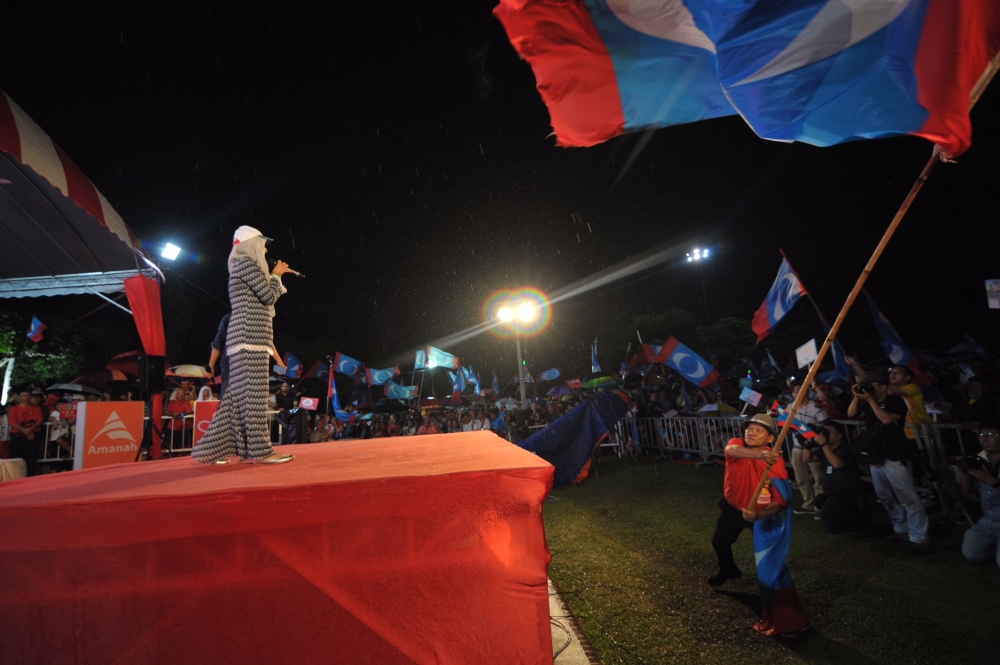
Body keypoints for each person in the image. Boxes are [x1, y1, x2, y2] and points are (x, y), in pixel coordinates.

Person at [192, 225, 294, 465]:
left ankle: (209, 450)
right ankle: (260, 452)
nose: (266, 248)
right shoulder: (246, 263)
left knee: (237, 399)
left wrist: (272, 277)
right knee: (254, 397)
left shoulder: (242, 265)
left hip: (248, 338)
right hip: (250, 338)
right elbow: (268, 296)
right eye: (262, 243)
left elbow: (261, 295)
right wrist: (277, 275)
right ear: (251, 244)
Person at [708, 413, 808, 637]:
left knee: (771, 562)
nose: (750, 432)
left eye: (758, 430)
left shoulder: (776, 463)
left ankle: (787, 616)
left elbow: (781, 502)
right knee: (719, 542)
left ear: (772, 438)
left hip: (760, 516)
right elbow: (731, 451)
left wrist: (762, 514)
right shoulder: (738, 445)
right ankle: (728, 569)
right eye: (749, 428)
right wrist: (760, 454)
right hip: (733, 509)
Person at [848, 372, 929, 554]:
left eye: (873, 385)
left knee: (907, 497)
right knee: (885, 496)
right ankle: (900, 529)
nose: (870, 389)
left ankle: (919, 537)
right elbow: (851, 414)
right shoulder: (870, 404)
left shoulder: (895, 402)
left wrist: (870, 401)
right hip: (876, 455)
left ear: (883, 386)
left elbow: (886, 420)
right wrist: (856, 398)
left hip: (894, 454)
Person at [803, 420, 869, 534]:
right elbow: (807, 459)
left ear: (839, 435)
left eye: (829, 432)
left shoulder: (847, 449)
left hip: (849, 494)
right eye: (825, 432)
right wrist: (808, 445)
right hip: (832, 494)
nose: (826, 434)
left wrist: (824, 445)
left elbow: (837, 464)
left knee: (833, 520)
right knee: (829, 519)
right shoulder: (826, 449)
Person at [959, 420, 1000, 569]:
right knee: (972, 553)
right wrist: (964, 472)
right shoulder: (980, 459)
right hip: (987, 520)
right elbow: (965, 491)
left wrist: (991, 481)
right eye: (981, 435)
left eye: (990, 434)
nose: (985, 439)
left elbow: (990, 482)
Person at [786, 380, 828, 515]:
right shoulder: (789, 407)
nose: (798, 393)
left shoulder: (816, 408)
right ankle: (808, 504)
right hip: (797, 449)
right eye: (795, 391)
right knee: (801, 478)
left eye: (801, 390)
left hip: (814, 448)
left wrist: (813, 436)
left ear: (807, 391)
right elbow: (785, 424)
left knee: (818, 478)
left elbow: (826, 428)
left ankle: (819, 505)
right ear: (792, 394)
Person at [7, 390, 44, 476]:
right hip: (18, 435)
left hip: (34, 434)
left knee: (31, 458)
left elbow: (40, 420)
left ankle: (30, 476)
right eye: (23, 395)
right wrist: (27, 431)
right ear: (19, 397)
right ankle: (18, 476)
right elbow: (12, 423)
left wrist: (31, 429)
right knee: (17, 458)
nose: (26, 397)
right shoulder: (14, 409)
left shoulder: (37, 408)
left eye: (28, 395)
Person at [207, 313, 232, 399]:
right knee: (227, 398)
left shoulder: (256, 318)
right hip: (229, 365)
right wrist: (211, 364)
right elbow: (218, 342)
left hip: (250, 365)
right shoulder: (228, 319)